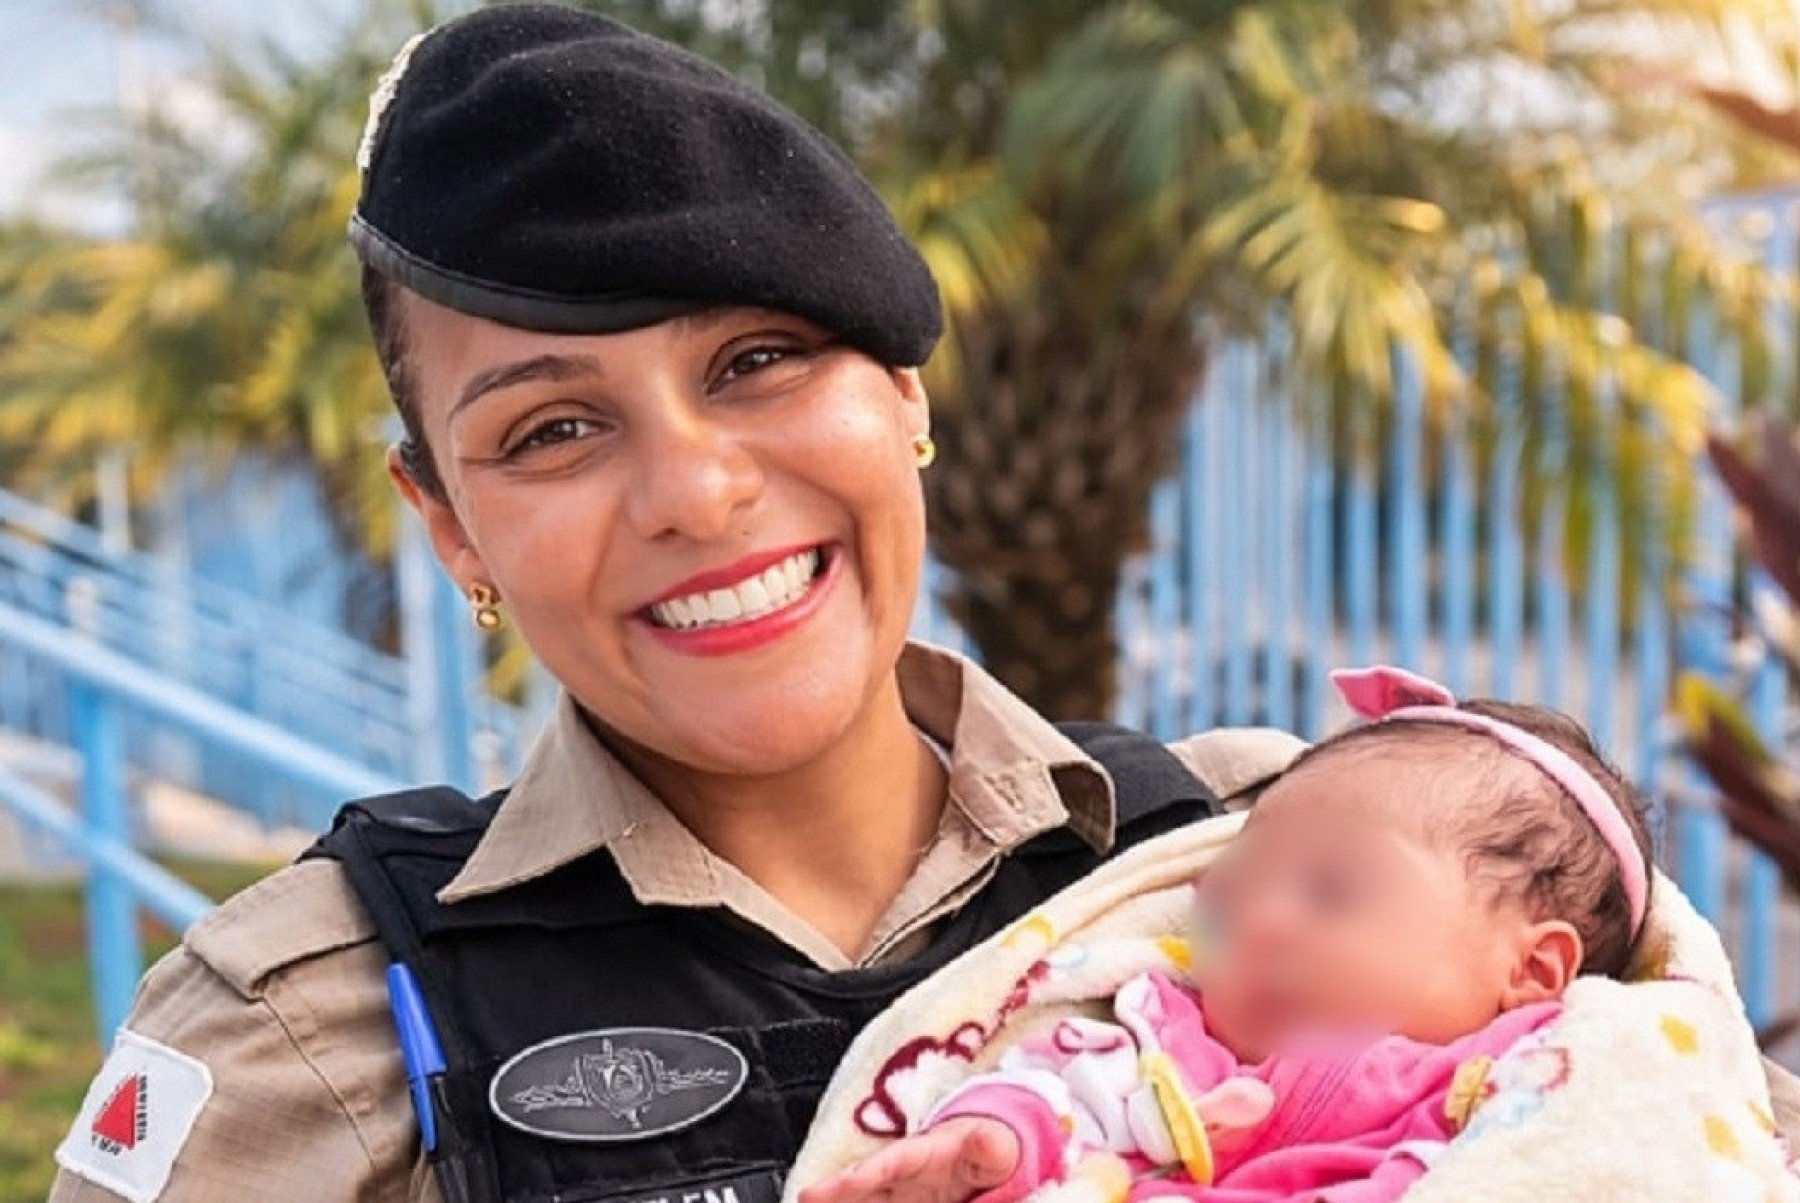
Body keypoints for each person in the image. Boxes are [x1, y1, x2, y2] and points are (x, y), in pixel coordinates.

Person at [46, 6, 1307, 1202]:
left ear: (906, 398)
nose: (697, 496)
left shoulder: (1291, 860)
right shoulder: (301, 1028)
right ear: (446, 524)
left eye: (759, 361)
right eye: (554, 429)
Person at [796, 667, 1661, 1203]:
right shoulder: (1172, 1050)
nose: (1264, 927)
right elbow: (1061, 1090)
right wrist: (995, 1139)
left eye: (1332, 891)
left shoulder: (1545, 1080)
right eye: (1231, 905)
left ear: (1533, 965)